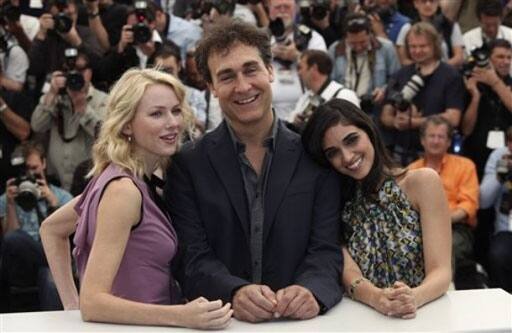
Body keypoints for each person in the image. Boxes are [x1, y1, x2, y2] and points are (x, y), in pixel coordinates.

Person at [164, 18, 343, 323]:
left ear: (270, 70)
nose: (243, 86)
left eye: (250, 69)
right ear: (211, 88)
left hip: (303, 325)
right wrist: (234, 291)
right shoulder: (187, 165)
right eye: (227, 76)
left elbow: (326, 248)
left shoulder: (314, 155)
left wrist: (311, 289)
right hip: (224, 323)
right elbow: (191, 257)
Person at [39, 68, 233, 329]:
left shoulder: (123, 178)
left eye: (175, 111)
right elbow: (93, 302)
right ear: (127, 124)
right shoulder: (123, 191)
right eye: (156, 114)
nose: (173, 122)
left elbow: (51, 229)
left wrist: (70, 308)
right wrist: (182, 315)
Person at [302, 99, 451, 318]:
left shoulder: (422, 182)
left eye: (352, 140)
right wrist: (378, 298)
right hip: (365, 318)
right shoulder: (337, 202)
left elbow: (441, 271)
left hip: (425, 314)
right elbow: (349, 272)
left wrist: (412, 298)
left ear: (369, 131)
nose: (347, 157)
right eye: (333, 152)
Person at [408, 115, 482, 289]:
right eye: (431, 136)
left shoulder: (465, 166)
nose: (435, 141)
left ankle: (445, 291)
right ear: (422, 140)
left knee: (447, 246)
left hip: (457, 227)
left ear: (449, 142)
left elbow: (467, 207)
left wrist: (437, 222)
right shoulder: (411, 170)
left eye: (440, 137)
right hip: (419, 228)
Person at [0, 141, 72, 311]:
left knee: (51, 279)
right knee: (14, 238)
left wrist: (52, 202)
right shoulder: (8, 198)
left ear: (44, 164)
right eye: (26, 169)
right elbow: (9, 240)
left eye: (34, 168)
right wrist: (11, 205)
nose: (30, 174)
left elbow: (69, 237)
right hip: (20, 264)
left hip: (51, 262)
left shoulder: (61, 196)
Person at [380, 22, 464, 165]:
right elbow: (385, 115)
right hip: (400, 153)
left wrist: (413, 123)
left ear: (434, 46)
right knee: (391, 187)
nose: (417, 51)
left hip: (435, 157)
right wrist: (396, 122)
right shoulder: (401, 74)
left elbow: (453, 118)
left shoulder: (451, 76)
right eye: (413, 46)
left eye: (423, 46)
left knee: (431, 188)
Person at [31, 50, 107, 191]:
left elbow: (105, 135)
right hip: (57, 184)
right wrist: (51, 94)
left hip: (89, 182)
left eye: (80, 70)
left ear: (90, 72)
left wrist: (83, 108)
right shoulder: (56, 97)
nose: (75, 75)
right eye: (70, 71)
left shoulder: (103, 100)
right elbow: (37, 126)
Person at [461, 38, 512, 179]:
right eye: (500, 57)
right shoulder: (473, 83)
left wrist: (495, 82)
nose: (506, 61)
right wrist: (475, 97)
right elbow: (466, 130)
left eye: (509, 57)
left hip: (506, 158)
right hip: (474, 157)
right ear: (489, 59)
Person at [289, 49, 359, 131]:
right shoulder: (306, 97)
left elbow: (354, 129)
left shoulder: (344, 95)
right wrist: (295, 121)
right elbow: (290, 121)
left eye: (300, 68)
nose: (298, 73)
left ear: (313, 69)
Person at [480, 126, 512, 293]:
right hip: (507, 229)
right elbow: (484, 201)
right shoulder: (500, 156)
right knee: (498, 255)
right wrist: (500, 175)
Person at [463, 0, 512, 77]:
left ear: (501, 19)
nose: (491, 29)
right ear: (479, 20)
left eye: (495, 24)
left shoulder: (510, 35)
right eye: (487, 25)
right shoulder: (467, 39)